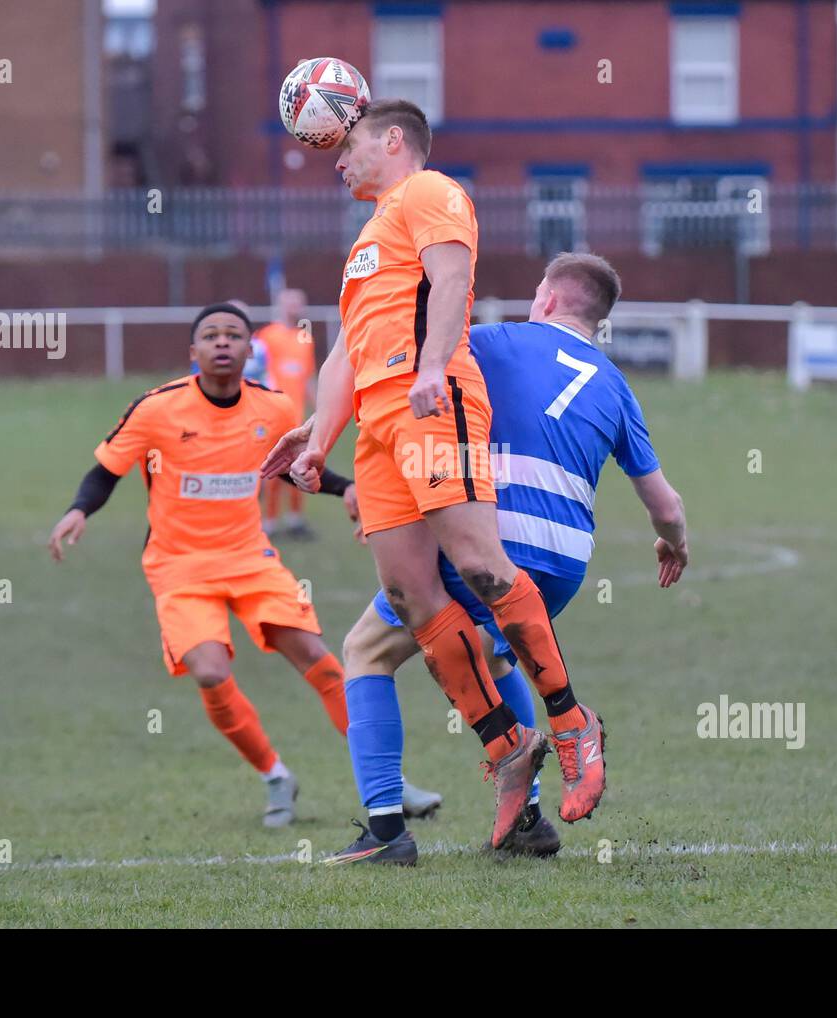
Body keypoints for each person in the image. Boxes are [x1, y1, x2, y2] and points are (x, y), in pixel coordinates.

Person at [265, 100, 610, 856]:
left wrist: (430, 368)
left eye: (349, 144)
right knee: (410, 598)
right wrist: (318, 440)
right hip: (379, 427)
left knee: (483, 569)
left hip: (429, 400)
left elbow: (452, 280)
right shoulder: (365, 241)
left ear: (394, 141)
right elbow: (344, 354)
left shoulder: (430, 192)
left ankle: (572, 721)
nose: (337, 158)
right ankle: (506, 747)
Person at [275, 254, 689, 864]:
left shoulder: (490, 343)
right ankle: (527, 820)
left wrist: (317, 432)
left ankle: (386, 829)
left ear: (546, 299)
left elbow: (396, 383)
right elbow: (665, 503)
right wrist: (672, 544)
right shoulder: (616, 386)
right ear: (597, 319)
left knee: (367, 650)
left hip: (490, 541)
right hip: (564, 564)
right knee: (495, 658)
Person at [47, 302, 355, 828]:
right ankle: (275, 776)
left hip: (251, 559)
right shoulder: (157, 408)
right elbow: (106, 470)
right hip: (179, 565)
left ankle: (384, 780)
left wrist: (346, 488)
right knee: (211, 672)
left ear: (247, 349)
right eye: (210, 335)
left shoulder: (275, 408)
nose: (222, 342)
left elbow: (292, 468)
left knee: (322, 661)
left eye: (233, 334)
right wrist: (79, 510)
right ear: (193, 352)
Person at [255, 289, 318, 540]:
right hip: (271, 413)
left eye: (298, 302)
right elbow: (254, 373)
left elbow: (308, 377)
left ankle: (295, 520)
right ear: (280, 304)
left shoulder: (305, 337)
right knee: (274, 467)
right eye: (290, 301)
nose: (295, 307)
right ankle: (269, 523)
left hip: (298, 416)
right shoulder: (266, 336)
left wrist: (320, 407)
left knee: (301, 465)